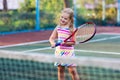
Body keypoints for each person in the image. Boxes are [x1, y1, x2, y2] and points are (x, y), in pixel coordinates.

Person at [49, 8, 79, 80]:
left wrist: (65, 42)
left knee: (72, 71)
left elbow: (74, 42)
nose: (62, 19)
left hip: (69, 52)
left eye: (65, 18)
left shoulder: (72, 29)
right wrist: (52, 43)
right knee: (60, 70)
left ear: (70, 19)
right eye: (61, 17)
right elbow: (51, 38)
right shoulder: (58, 27)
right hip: (59, 52)